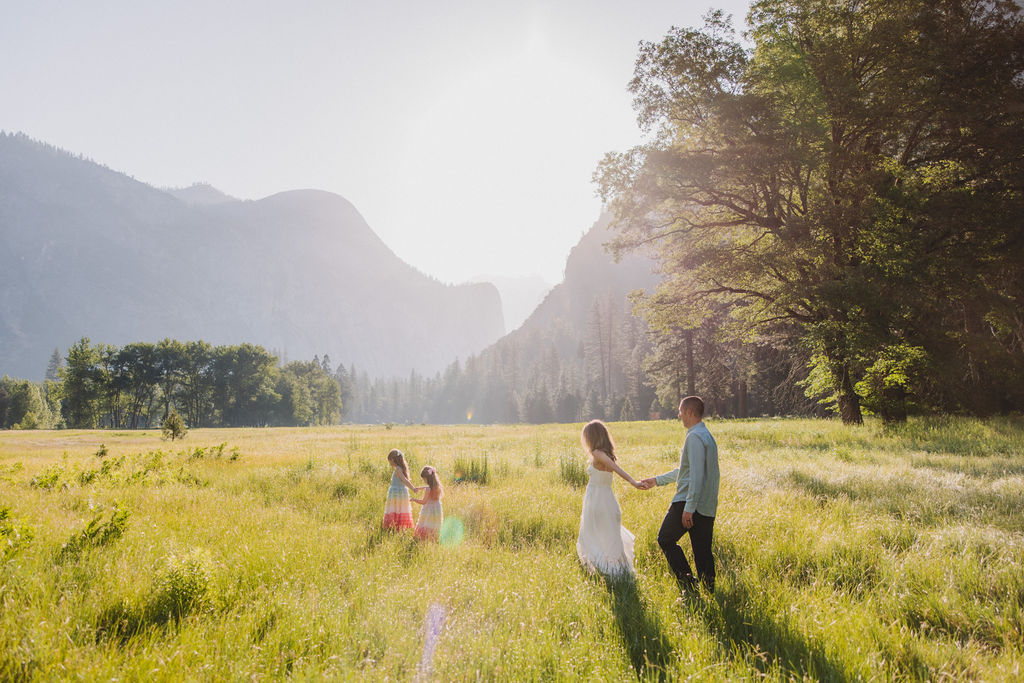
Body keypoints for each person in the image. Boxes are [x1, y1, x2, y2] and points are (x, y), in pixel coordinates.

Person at [641, 396, 719, 592]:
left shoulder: (694, 437)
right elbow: (686, 470)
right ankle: (709, 592)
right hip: (707, 504)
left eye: (681, 412)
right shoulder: (705, 435)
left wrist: (689, 508)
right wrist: (657, 480)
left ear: (690, 413)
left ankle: (688, 584)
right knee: (702, 552)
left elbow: (696, 475)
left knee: (665, 539)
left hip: (688, 502)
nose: (679, 415)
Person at [576, 419, 647, 576]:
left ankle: (608, 571)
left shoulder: (597, 454)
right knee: (608, 535)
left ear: (592, 437)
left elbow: (617, 469)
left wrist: (633, 482)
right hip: (605, 500)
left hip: (598, 501)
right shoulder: (606, 454)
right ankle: (614, 570)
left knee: (594, 534)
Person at [383, 449, 421, 530]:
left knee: (396, 508)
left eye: (389, 461)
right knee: (399, 508)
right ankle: (397, 526)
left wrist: (413, 488)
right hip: (399, 492)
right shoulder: (400, 469)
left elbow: (404, 480)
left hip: (397, 493)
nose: (389, 463)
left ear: (393, 460)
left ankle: (396, 526)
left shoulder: (398, 469)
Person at [412, 465, 444, 541]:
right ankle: (433, 538)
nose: (424, 481)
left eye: (424, 479)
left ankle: (424, 539)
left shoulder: (428, 489)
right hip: (436, 509)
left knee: (426, 523)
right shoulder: (437, 486)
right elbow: (427, 487)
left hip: (428, 510)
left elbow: (423, 502)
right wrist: (420, 488)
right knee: (433, 524)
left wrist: (414, 499)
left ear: (427, 479)